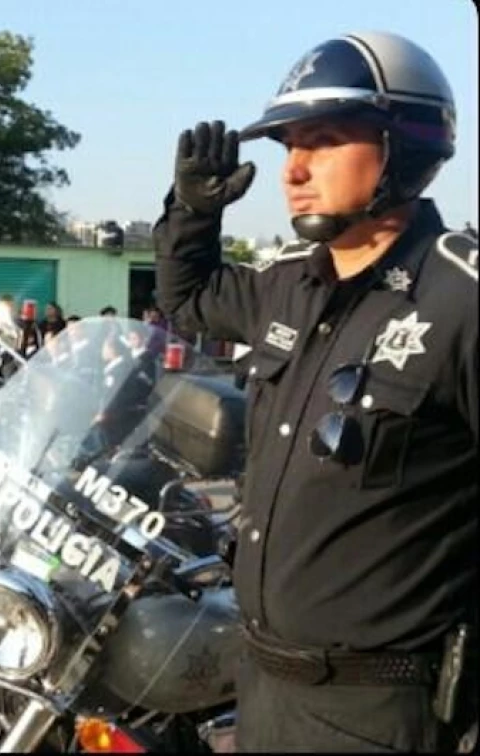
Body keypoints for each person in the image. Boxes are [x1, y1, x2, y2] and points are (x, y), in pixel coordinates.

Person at [154, 31, 476, 753]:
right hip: (262, 690)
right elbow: (188, 296)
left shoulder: (460, 298)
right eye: (288, 146)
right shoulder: (289, 284)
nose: (293, 169)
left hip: (380, 713)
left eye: (324, 140)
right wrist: (193, 211)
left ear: (404, 146)